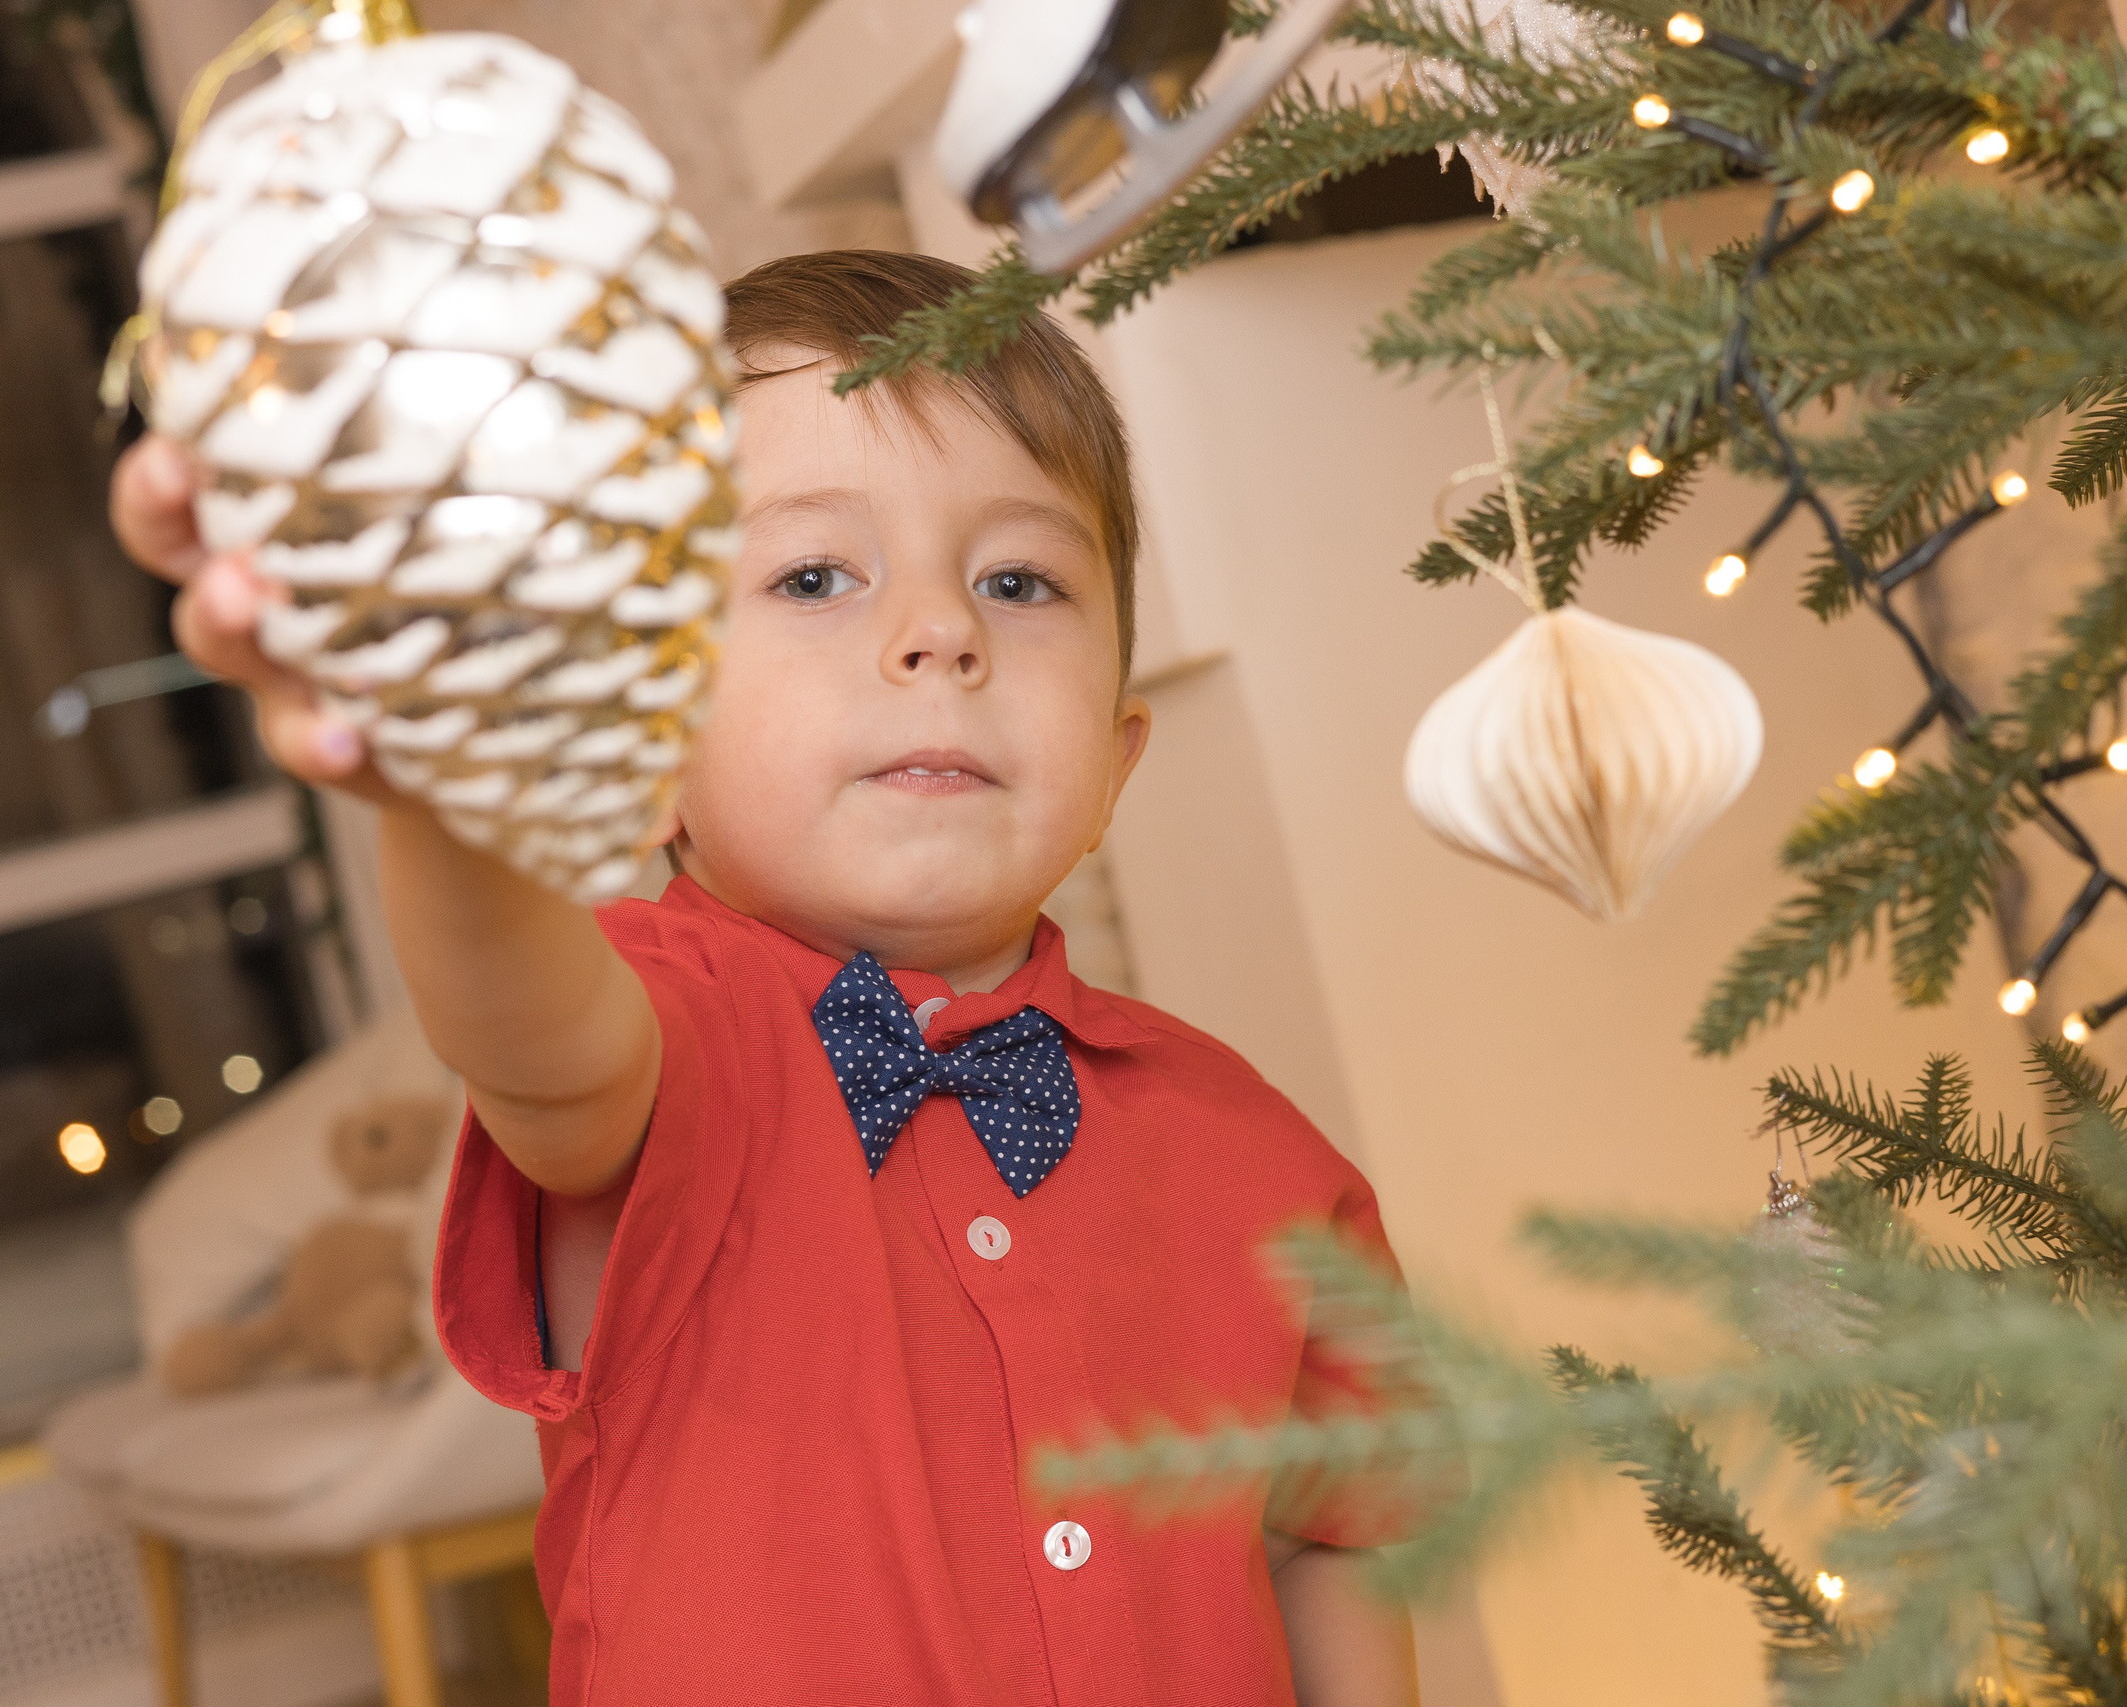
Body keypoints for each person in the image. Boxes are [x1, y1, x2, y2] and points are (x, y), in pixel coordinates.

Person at [113, 248, 1423, 1706]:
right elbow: (524, 1029)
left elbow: (1334, 1535)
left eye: (1021, 577)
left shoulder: (1251, 1150)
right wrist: (433, 774)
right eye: (812, 575)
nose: (942, 632)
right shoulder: (671, 1045)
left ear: (1116, 758)